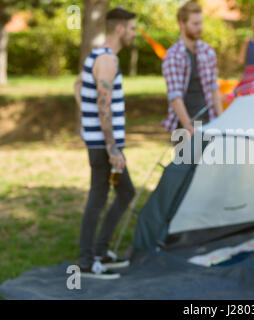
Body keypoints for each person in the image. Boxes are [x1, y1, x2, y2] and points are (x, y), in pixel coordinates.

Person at [74, 7, 137, 279]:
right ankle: (87, 262)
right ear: (120, 29)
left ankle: (99, 252)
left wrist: (88, 119)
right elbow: (104, 105)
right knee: (98, 199)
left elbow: (77, 86)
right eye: (132, 28)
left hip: (98, 141)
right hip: (104, 147)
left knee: (125, 193)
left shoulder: (96, 56)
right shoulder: (108, 60)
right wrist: (112, 147)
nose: (134, 33)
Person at [161, 1, 222, 138]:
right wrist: (188, 127)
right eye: (195, 24)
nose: (199, 27)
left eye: (201, 23)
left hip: (209, 122)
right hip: (184, 126)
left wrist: (221, 120)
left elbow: (213, 88)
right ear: (182, 24)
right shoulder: (173, 56)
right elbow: (175, 97)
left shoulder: (208, 51)